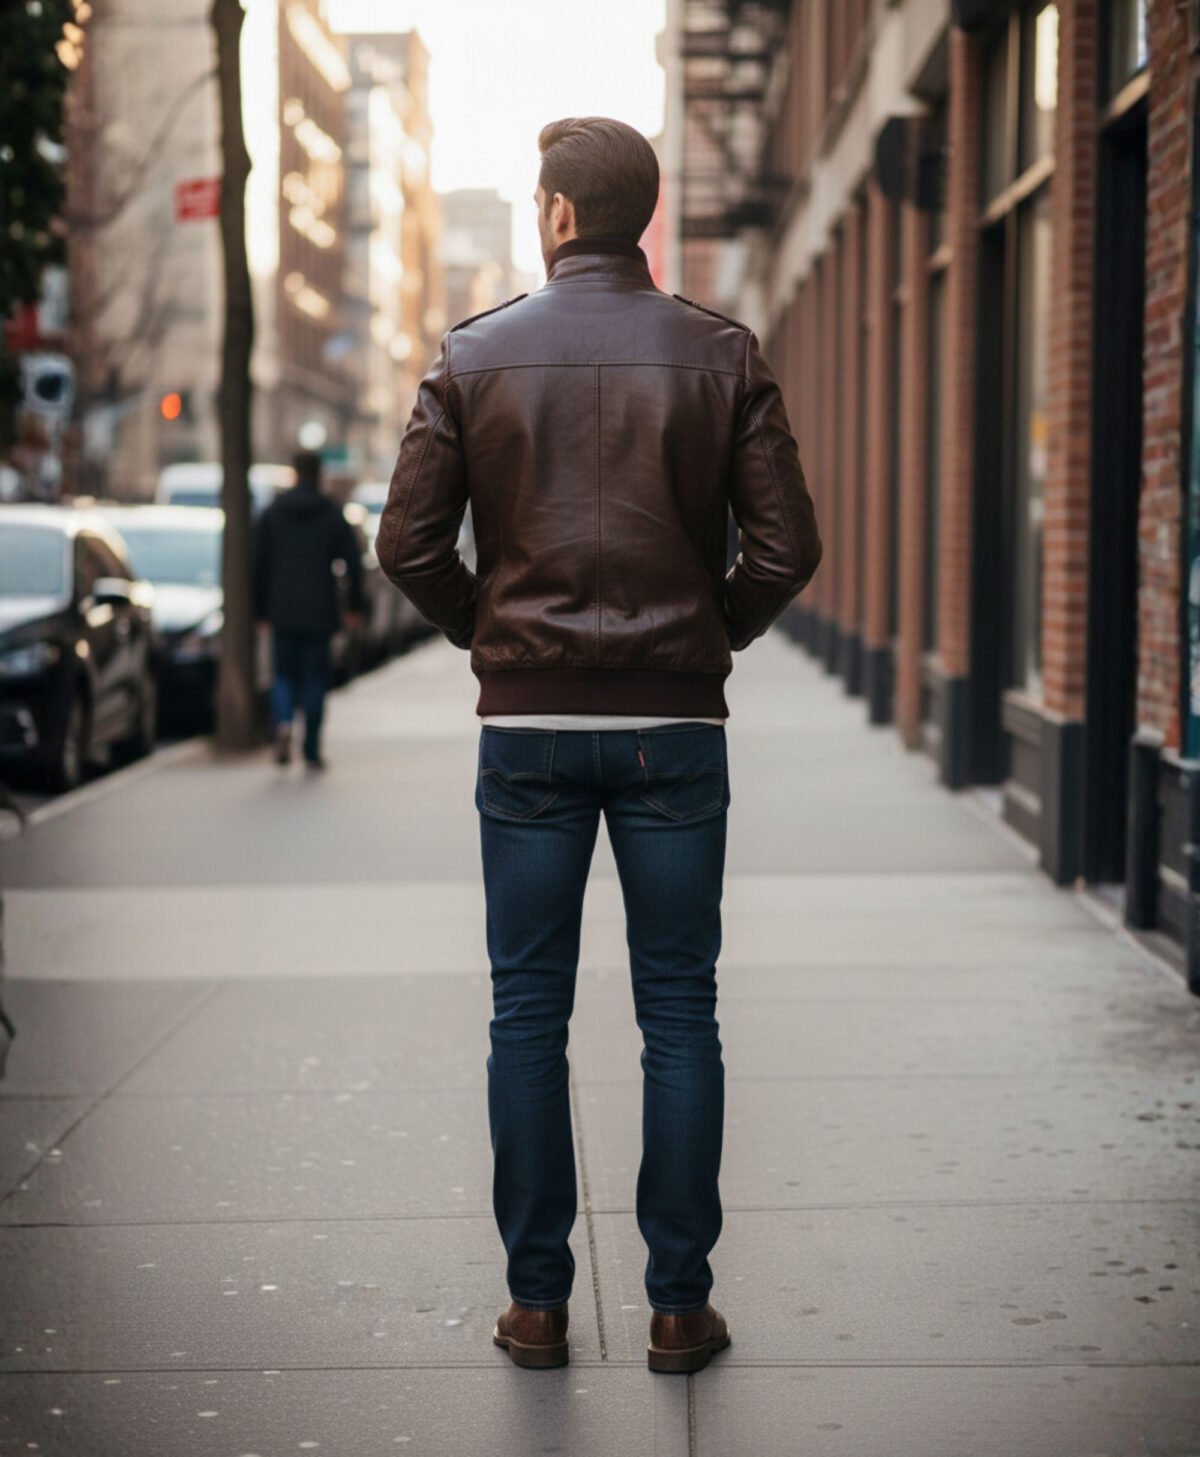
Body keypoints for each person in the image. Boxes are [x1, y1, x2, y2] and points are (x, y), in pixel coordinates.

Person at [376, 116, 822, 1374]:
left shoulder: (473, 355)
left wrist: (498, 640)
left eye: (537, 198)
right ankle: (679, 1305)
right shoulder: (720, 352)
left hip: (526, 733)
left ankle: (536, 1305)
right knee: (680, 1010)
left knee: (529, 1013)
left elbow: (407, 548)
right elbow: (787, 549)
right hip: (674, 732)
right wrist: (699, 639)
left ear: (562, 215)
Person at [253, 449, 366, 771]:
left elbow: (258, 564)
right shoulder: (331, 513)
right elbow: (353, 564)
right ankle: (312, 748)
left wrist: (260, 610)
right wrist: (354, 606)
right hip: (319, 611)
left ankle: (284, 722)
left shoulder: (273, 512)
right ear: (319, 475)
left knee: (283, 676)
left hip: (281, 610)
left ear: (294, 474)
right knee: (315, 678)